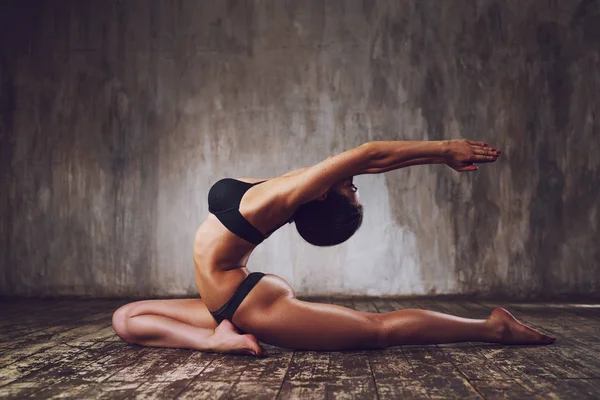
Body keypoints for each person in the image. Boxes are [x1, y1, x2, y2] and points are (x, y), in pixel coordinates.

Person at [112, 139, 555, 356]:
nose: (350, 182)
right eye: (355, 188)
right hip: (223, 304)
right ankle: (218, 341)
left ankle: (492, 328)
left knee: (377, 331)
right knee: (125, 319)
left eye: (352, 189)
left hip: (246, 302)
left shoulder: (287, 197)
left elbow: (371, 155)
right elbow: (362, 159)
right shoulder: (292, 186)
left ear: (322, 196)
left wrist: (442, 151)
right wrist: (438, 151)